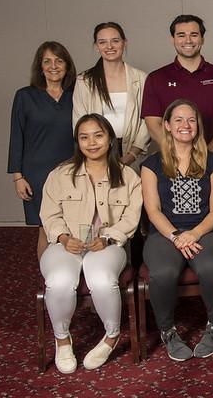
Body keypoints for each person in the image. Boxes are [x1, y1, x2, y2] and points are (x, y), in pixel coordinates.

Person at [39, 114, 143, 373]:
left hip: (106, 245)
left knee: (101, 278)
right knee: (59, 280)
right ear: (77, 142)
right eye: (84, 137)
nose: (92, 142)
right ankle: (62, 340)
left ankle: (111, 336)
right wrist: (63, 237)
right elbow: (49, 214)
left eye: (98, 135)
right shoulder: (60, 174)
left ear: (110, 140)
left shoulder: (128, 176)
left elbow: (132, 215)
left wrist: (109, 237)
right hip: (67, 244)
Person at [141, 99, 213, 361]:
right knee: (163, 273)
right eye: (178, 119)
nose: (185, 125)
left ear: (198, 126)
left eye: (191, 120)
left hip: (205, 231)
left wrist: (195, 233)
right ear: (166, 125)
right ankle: (168, 332)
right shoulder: (151, 164)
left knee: (212, 268)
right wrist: (176, 236)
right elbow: (153, 210)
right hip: (164, 234)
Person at [8, 41, 77, 259]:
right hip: (37, 174)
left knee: (75, 225)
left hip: (73, 171)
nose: (53, 65)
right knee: (47, 229)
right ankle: (49, 282)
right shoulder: (25, 96)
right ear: (40, 66)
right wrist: (18, 177)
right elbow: (16, 136)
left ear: (67, 65)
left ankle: (76, 278)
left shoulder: (77, 95)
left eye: (59, 60)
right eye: (47, 61)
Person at [141, 15, 213, 165]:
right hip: (170, 164)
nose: (188, 40)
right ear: (172, 39)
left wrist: (205, 155)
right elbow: (153, 124)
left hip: (212, 163)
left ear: (202, 39)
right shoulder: (156, 79)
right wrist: (178, 154)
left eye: (194, 35)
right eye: (181, 35)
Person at [73, 22, 149, 169]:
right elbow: (79, 122)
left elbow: (147, 121)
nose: (109, 47)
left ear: (124, 42)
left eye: (115, 41)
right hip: (96, 155)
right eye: (103, 42)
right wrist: (96, 153)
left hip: (133, 155)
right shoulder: (84, 81)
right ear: (96, 46)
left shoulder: (141, 78)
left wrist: (131, 155)